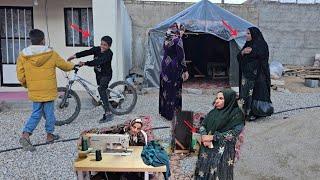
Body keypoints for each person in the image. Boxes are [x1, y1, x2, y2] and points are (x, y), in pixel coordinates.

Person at [16, 29, 75, 152]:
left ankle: (26, 134)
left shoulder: (23, 55)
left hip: (35, 89)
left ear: (31, 40)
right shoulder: (51, 53)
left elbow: (20, 74)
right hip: (48, 90)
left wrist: (26, 84)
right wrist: (74, 65)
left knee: (36, 112)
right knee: (49, 113)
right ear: (43, 40)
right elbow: (64, 65)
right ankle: (49, 136)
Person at [194, 89, 245, 180]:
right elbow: (203, 125)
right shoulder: (213, 112)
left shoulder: (237, 115)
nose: (217, 101)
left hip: (223, 149)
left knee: (218, 173)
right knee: (203, 170)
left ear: (229, 100)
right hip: (206, 146)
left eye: (221, 98)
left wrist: (213, 137)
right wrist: (204, 136)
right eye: (217, 98)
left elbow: (234, 132)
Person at [67, 36, 114, 123]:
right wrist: (75, 56)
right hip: (98, 74)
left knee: (101, 89)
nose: (102, 47)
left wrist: (84, 63)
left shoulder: (109, 54)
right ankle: (110, 103)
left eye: (105, 45)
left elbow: (97, 62)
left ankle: (108, 113)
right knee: (102, 90)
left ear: (109, 46)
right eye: (101, 44)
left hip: (106, 75)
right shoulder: (97, 49)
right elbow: (87, 52)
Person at [237, 27, 273, 121]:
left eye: (248, 33)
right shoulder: (247, 45)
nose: (246, 35)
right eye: (246, 33)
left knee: (257, 93)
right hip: (247, 75)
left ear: (254, 34)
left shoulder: (261, 44)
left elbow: (263, 57)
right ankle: (244, 112)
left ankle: (257, 113)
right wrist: (243, 52)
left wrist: (252, 52)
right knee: (245, 93)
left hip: (258, 75)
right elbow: (239, 57)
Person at [159, 23, 189, 121]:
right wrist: (185, 70)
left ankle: (165, 112)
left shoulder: (167, 38)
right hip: (174, 67)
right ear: (179, 30)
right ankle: (173, 113)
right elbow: (181, 57)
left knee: (165, 89)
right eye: (183, 31)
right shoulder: (178, 40)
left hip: (165, 66)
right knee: (174, 89)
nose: (183, 33)